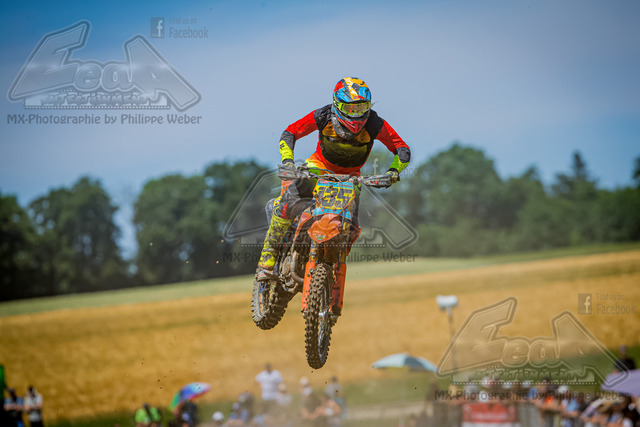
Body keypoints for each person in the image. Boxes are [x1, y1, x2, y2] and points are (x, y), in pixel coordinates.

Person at [256, 77, 411, 281]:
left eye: (361, 107)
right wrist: (288, 162)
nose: (356, 114)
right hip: (318, 167)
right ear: (337, 105)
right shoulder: (323, 115)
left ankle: (332, 268)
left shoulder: (374, 123)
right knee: (289, 203)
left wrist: (393, 172)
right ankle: (267, 258)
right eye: (350, 108)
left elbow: (402, 149)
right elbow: (290, 133)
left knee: (351, 229)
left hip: (351, 177)